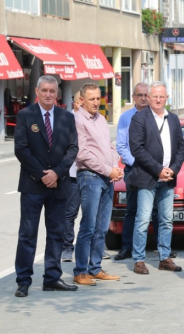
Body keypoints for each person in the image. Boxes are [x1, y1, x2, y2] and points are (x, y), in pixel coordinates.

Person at [14, 75, 79, 297]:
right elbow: (21, 149)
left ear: (57, 93)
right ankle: (23, 280)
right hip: (33, 185)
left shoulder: (67, 117)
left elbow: (72, 148)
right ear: (37, 91)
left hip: (58, 185)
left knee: (56, 234)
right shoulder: (25, 116)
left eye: (52, 91)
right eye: (45, 91)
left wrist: (57, 173)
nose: (49, 94)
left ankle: (52, 277)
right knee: (27, 234)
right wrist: (42, 175)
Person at [128, 82, 184, 275]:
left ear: (167, 98)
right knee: (143, 220)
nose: (158, 99)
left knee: (167, 220)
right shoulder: (139, 118)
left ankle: (164, 257)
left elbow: (180, 148)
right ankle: (139, 259)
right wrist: (158, 169)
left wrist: (173, 170)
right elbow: (137, 149)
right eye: (155, 96)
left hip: (168, 179)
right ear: (149, 98)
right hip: (147, 177)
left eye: (162, 96)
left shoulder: (174, 119)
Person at [72, 83, 122, 286]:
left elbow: (109, 146)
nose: (95, 102)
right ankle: (80, 271)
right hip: (90, 177)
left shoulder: (101, 119)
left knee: (102, 228)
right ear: (81, 100)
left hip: (107, 177)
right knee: (88, 227)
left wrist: (115, 166)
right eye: (91, 99)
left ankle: (95, 267)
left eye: (98, 98)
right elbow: (82, 153)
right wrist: (107, 169)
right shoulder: (77, 120)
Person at [114, 83, 160, 261]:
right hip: (134, 169)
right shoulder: (126, 117)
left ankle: (160, 247)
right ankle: (127, 247)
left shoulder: (157, 115)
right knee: (131, 209)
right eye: (139, 95)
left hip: (155, 169)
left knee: (156, 210)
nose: (142, 98)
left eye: (145, 95)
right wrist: (138, 163)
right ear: (133, 97)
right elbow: (121, 146)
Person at [61, 91, 82, 263]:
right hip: (73, 174)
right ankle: (67, 247)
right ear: (74, 102)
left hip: (92, 174)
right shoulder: (67, 120)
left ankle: (90, 247)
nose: (82, 104)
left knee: (93, 215)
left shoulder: (97, 120)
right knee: (70, 214)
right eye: (79, 100)